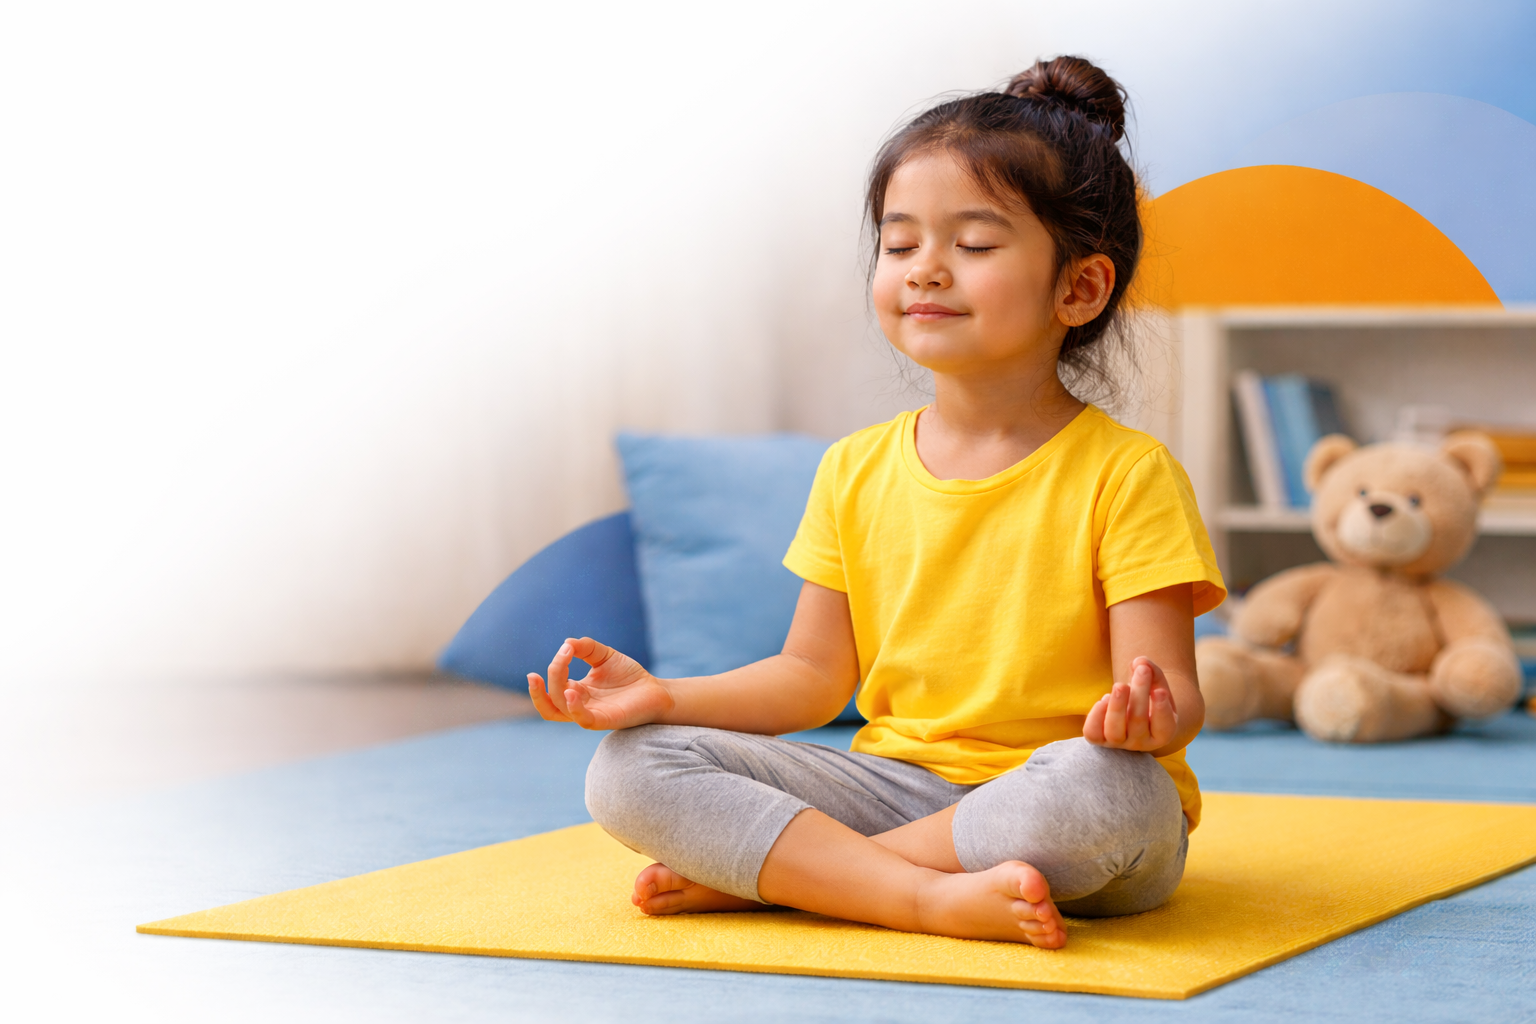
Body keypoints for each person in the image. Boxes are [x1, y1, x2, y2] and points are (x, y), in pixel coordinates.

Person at [527, 55, 1225, 949]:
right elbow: (811, 678)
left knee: (1112, 790)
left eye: (973, 246)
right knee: (630, 765)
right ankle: (914, 894)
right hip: (899, 789)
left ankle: (801, 882)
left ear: (1079, 288)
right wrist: (664, 696)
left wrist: (1151, 719)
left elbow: (1174, 696)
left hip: (1062, 800)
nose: (925, 270)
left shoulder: (1129, 474)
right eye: (900, 246)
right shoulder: (853, 468)